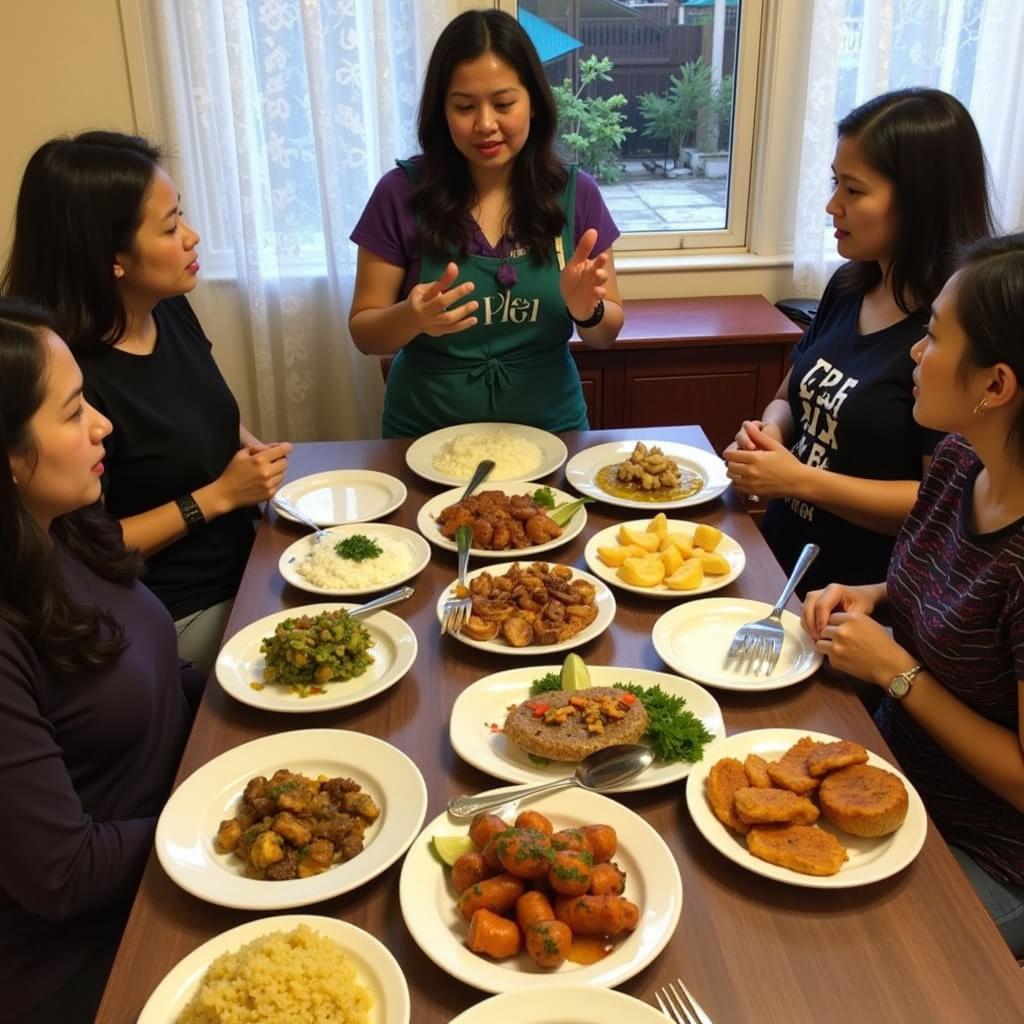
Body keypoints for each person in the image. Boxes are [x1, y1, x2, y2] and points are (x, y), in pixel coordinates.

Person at [802, 234, 1024, 956]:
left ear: (996, 386)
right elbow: (934, 589)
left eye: (932, 337)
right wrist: (871, 596)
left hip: (990, 855)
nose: (914, 356)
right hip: (887, 783)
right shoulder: (962, 458)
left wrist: (896, 672)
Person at [1, 132, 292, 674]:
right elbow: (85, 542)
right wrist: (218, 496)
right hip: (175, 607)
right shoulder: (69, 377)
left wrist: (253, 452)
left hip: (246, 558)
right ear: (112, 257)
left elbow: (208, 414)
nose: (192, 237)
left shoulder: (168, 309)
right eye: (169, 227)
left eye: (182, 217)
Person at [0, 299, 197, 1022]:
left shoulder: (67, 529)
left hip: (177, 859)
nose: (102, 423)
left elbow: (163, 676)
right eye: (74, 409)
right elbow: (62, 873)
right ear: (10, 456)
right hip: (92, 953)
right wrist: (225, 811)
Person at [724, 89, 993, 596]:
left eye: (854, 190)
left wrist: (798, 480)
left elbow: (941, 506)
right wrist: (770, 436)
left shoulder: (956, 333)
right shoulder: (849, 285)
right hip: (781, 563)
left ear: (919, 200)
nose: (832, 205)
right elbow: (790, 396)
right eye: (834, 183)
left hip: (862, 600)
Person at [348, 8, 623, 438]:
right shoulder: (399, 193)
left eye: (503, 103)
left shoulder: (575, 193)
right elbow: (365, 333)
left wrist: (587, 311)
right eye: (464, 106)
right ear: (441, 110)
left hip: (551, 434)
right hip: (424, 439)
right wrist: (412, 316)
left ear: (533, 102)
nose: (485, 125)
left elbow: (606, 334)